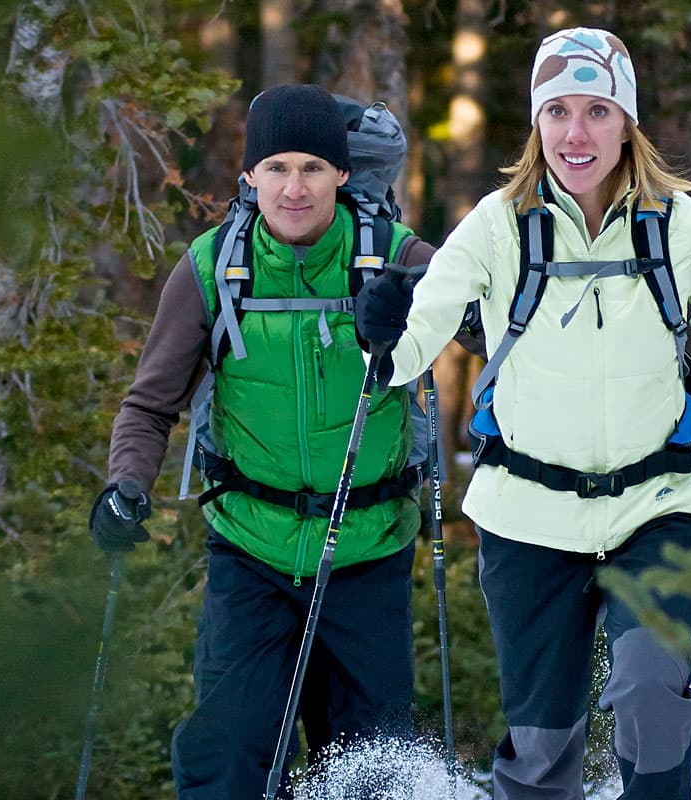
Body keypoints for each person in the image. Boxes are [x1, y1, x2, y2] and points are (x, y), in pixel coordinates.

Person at [355, 28, 691, 800]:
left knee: (652, 701)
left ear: (627, 122)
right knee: (543, 747)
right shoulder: (495, 224)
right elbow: (410, 349)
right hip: (527, 516)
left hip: (655, 505)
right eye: (557, 111)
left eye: (596, 110)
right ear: (536, 123)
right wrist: (380, 334)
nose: (575, 133)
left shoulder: (680, 227)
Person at [89, 84, 439, 799]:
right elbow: (151, 403)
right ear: (250, 175)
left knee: (373, 773)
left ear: (343, 174)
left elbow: (494, 334)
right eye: (276, 167)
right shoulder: (214, 266)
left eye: (313, 167)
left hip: (369, 553)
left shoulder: (396, 257)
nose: (295, 187)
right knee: (227, 758)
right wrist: (126, 485)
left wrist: (416, 308)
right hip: (252, 554)